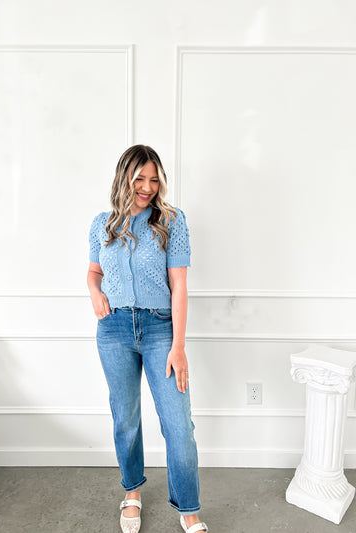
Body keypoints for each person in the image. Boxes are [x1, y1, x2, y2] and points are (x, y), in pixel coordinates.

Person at [87, 144, 208, 533]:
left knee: (178, 424)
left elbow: (180, 286)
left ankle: (189, 510)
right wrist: (95, 292)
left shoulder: (172, 220)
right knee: (125, 418)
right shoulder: (102, 224)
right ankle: (132, 492)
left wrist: (178, 346)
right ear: (123, 177)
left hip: (160, 330)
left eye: (154, 180)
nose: (147, 187)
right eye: (139, 178)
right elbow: (94, 272)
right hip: (114, 329)